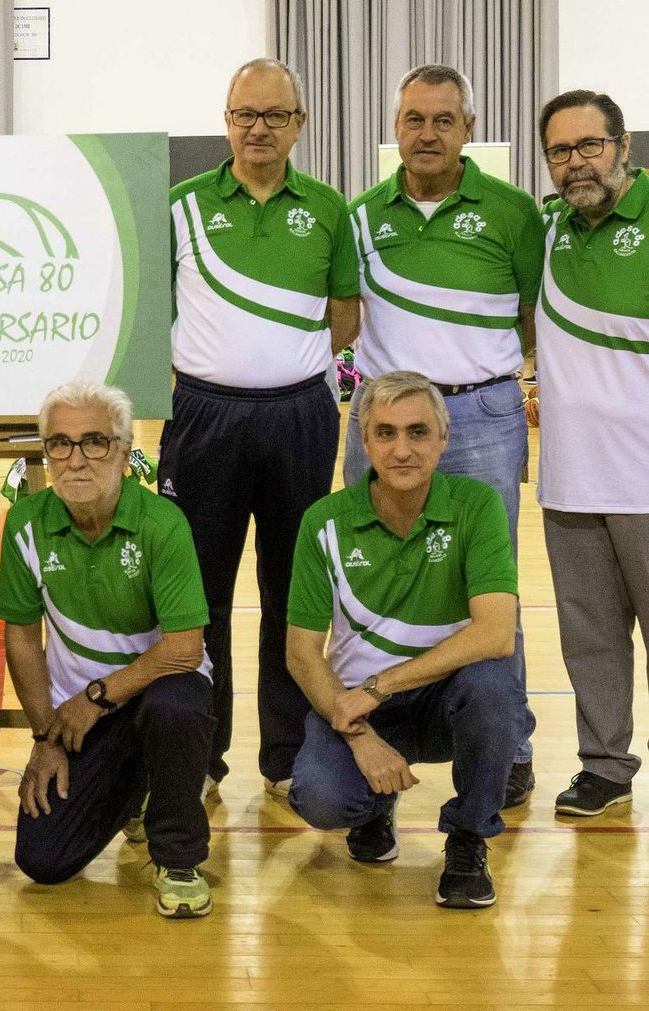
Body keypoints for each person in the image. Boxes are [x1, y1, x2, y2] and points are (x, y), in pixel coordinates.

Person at [160, 58, 359, 799]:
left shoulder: (330, 209)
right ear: (226, 120)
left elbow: (345, 317)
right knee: (198, 590)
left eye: (275, 115)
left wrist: (280, 368)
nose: (258, 128)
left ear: (300, 124)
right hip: (202, 418)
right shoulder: (180, 205)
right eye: (245, 113)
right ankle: (201, 757)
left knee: (292, 589)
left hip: (299, 416)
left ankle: (284, 758)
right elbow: (158, 313)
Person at [345, 64, 541, 806]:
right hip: (383, 422)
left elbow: (530, 316)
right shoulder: (361, 216)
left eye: (443, 120)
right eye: (413, 120)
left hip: (483, 417)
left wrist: (503, 380)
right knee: (371, 577)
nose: (427, 133)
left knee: (489, 583)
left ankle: (511, 745)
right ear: (395, 128)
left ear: (468, 129)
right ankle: (372, 726)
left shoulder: (513, 211)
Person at [286, 371, 522, 909]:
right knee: (320, 799)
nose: (402, 450)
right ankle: (373, 806)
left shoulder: (476, 505)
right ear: (364, 442)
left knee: (494, 694)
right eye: (386, 433)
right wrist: (361, 736)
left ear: (444, 439)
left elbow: (495, 632)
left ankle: (468, 839)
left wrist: (378, 685)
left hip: (443, 701)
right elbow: (301, 655)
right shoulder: (323, 521)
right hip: (361, 710)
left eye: (418, 433)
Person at [2, 381, 215, 917]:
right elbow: (23, 639)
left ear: (123, 452)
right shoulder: (26, 524)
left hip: (152, 693)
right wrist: (46, 736)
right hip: (80, 718)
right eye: (59, 443)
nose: (75, 459)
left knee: (178, 705)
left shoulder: (162, 524)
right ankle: (136, 787)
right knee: (43, 861)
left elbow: (186, 648)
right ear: (45, 451)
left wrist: (97, 696)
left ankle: (178, 856)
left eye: (94, 442)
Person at [531, 90, 649, 817]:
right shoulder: (547, 228)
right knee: (591, 639)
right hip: (572, 481)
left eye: (589, 146)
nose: (576, 163)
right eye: (560, 151)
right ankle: (604, 767)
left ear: (623, 145)